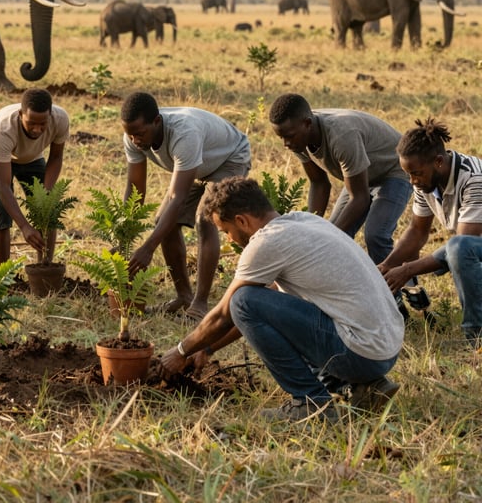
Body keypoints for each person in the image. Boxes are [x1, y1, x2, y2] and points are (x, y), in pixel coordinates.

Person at [160, 177, 404, 423]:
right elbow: (266, 311)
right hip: (384, 348)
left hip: (360, 353)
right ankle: (365, 387)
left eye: (226, 232)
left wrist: (181, 351)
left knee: (242, 299)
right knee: (249, 302)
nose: (230, 240)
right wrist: (207, 348)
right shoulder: (305, 221)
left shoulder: (266, 243)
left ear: (242, 221)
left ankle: (310, 402)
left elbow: (228, 313)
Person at [121, 91, 251, 320]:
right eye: (130, 135)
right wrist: (123, 237)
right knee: (164, 223)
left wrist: (148, 248)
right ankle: (184, 297)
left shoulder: (183, 133)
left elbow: (176, 197)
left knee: (206, 218)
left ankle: (200, 304)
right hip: (195, 166)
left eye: (140, 134)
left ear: (157, 122)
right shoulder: (133, 136)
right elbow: (135, 189)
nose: (135, 141)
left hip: (228, 158)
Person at [269, 93, 412, 268]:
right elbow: (319, 183)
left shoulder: (342, 135)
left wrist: (328, 237)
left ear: (307, 124)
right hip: (362, 175)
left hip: (394, 169)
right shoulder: (298, 137)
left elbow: (359, 198)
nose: (286, 143)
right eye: (281, 137)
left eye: (289, 136)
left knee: (375, 234)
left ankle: (399, 290)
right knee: (334, 235)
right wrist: (312, 228)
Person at [380, 118, 482, 347]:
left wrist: (407, 269)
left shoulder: (474, 179)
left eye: (416, 174)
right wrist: (387, 266)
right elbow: (417, 231)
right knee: (454, 251)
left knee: (458, 249)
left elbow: (464, 244)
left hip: (472, 244)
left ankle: (476, 336)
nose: (412, 181)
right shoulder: (427, 182)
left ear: (438, 161)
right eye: (408, 175)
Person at [0, 88, 69, 264]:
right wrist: (25, 227)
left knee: (47, 209)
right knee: (2, 210)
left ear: (50, 115)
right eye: (31, 123)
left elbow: (56, 157)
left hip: (31, 156)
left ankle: (46, 265)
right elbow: (3, 185)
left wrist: (45, 194)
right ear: (21, 114)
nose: (37, 129)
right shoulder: (4, 129)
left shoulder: (60, 119)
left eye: (42, 124)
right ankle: (4, 274)